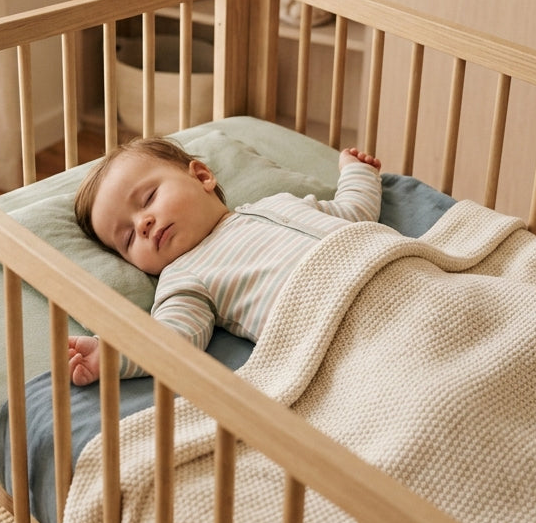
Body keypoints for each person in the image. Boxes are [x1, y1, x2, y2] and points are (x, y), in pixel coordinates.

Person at [67, 136, 382, 386]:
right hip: (347, 330)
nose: (142, 224)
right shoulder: (184, 275)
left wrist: (358, 172)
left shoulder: (278, 204)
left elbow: (353, 213)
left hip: (386, 263)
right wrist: (110, 354)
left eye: (149, 198)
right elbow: (172, 339)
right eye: (128, 238)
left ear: (202, 176)